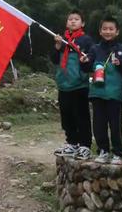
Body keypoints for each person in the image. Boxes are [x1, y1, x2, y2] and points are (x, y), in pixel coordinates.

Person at [81, 16, 122, 164]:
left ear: (117, 32)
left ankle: (118, 153)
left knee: (116, 125)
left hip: (115, 94)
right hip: (97, 93)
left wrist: (120, 62)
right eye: (105, 29)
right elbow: (87, 67)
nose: (108, 31)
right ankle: (102, 150)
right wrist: (84, 62)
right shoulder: (95, 49)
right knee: (99, 124)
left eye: (111, 29)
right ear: (100, 31)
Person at [50, 9, 93, 160]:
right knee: (66, 115)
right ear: (66, 23)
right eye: (70, 19)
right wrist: (56, 46)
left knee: (81, 115)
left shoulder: (86, 40)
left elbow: (91, 60)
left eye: (76, 19)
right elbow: (55, 60)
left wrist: (85, 63)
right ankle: (72, 143)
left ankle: (85, 145)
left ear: (83, 23)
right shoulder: (61, 40)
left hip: (79, 85)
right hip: (63, 84)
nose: (73, 21)